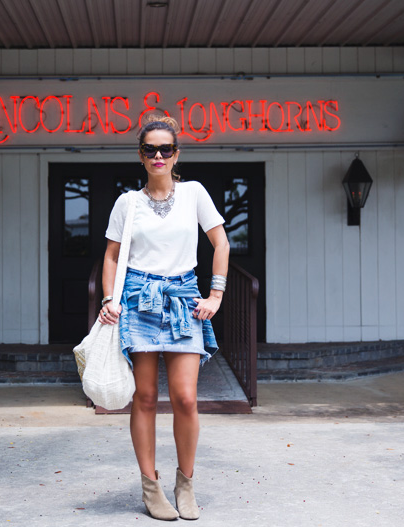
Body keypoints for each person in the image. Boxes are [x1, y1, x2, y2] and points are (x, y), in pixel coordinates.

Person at [98, 114, 229, 520]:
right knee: (147, 397)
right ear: (141, 156)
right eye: (150, 149)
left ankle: (185, 485)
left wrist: (216, 293)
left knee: (186, 398)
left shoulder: (194, 194)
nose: (158, 155)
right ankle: (151, 487)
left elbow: (220, 242)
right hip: (138, 298)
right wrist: (108, 298)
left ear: (176, 155)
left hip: (183, 297)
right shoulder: (128, 202)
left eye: (165, 149)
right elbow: (112, 255)